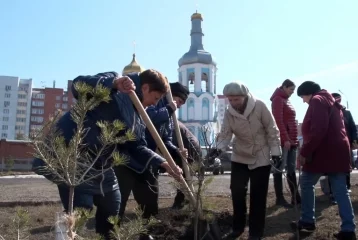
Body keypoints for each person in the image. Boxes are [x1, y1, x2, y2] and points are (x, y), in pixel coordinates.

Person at [34, 71, 182, 240]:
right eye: (155, 98)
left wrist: (164, 163)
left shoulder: (138, 119)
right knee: (82, 208)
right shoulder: (114, 84)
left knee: (112, 206)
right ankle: (64, 234)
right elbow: (78, 85)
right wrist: (113, 83)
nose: (153, 104)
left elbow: (137, 146)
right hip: (73, 155)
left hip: (102, 162)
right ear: (146, 88)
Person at [291, 81, 356, 240]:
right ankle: (348, 229)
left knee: (306, 182)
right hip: (338, 150)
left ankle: (307, 220)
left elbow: (319, 128)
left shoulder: (317, 100)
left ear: (308, 93)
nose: (303, 101)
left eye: (302, 97)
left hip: (324, 151)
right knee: (340, 190)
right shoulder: (330, 101)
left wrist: (305, 151)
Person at [217, 81, 282, 240]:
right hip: (240, 155)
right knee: (237, 192)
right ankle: (237, 227)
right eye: (230, 100)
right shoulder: (229, 112)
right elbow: (226, 133)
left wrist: (275, 152)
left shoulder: (260, 106)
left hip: (261, 155)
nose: (233, 103)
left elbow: (271, 129)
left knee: (258, 196)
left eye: (236, 99)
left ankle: (255, 233)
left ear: (244, 96)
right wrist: (218, 148)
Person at [270, 79, 301, 207]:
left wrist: (293, 139)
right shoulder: (278, 99)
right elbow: (278, 120)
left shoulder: (286, 99)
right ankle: (280, 198)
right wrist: (285, 138)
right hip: (285, 141)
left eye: (293, 90)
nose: (293, 92)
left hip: (292, 140)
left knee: (291, 169)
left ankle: (296, 197)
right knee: (280, 168)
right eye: (291, 89)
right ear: (284, 87)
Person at [329, 93, 357, 199]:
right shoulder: (328, 111)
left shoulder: (347, 112)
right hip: (333, 144)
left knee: (346, 165)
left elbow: (353, 127)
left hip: (347, 143)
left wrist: (354, 140)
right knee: (332, 167)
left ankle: (347, 185)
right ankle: (332, 190)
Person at [171, 120, 202, 209]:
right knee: (183, 177)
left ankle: (180, 202)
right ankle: (186, 200)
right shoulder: (169, 122)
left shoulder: (171, 124)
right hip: (186, 149)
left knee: (183, 176)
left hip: (189, 150)